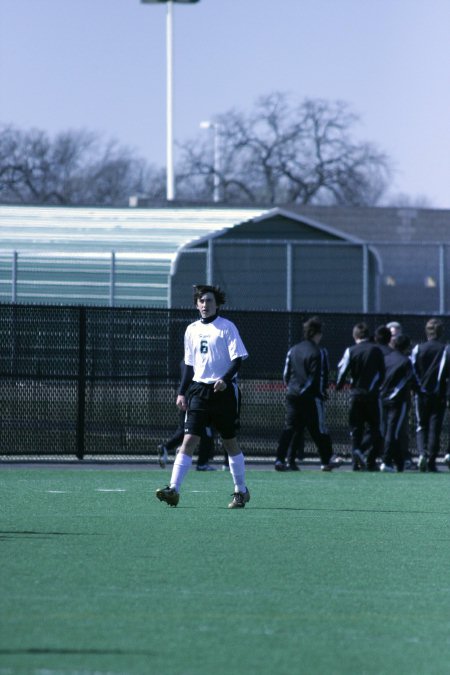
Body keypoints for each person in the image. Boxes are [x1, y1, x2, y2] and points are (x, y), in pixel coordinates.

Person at [156, 284, 250, 508]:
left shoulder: (226, 327)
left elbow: (238, 359)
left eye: (209, 301)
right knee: (189, 440)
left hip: (224, 392)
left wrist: (224, 380)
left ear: (217, 304)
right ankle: (174, 490)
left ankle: (240, 491)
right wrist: (181, 392)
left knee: (229, 442)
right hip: (198, 390)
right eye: (201, 301)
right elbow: (189, 365)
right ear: (196, 304)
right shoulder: (191, 330)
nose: (204, 305)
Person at [274, 317, 340, 472]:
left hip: (292, 395)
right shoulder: (319, 352)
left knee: (291, 428)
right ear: (317, 333)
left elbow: (286, 374)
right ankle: (326, 460)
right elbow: (318, 375)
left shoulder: (293, 350)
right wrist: (319, 392)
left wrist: (291, 389)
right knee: (318, 429)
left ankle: (281, 459)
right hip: (311, 397)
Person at [336, 322, 385, 471]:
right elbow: (382, 373)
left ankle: (355, 463)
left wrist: (339, 386)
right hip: (371, 396)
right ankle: (365, 455)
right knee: (375, 429)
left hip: (355, 395)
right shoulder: (376, 350)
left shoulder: (351, 350)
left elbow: (342, 370)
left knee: (356, 430)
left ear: (355, 335)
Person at [157, 359, 216, 471]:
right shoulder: (193, 362)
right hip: (194, 401)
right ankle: (201, 463)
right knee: (204, 433)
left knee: (185, 430)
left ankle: (167, 448)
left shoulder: (188, 362)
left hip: (190, 399)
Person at [411, 317, 449, 472]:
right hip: (438, 394)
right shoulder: (445, 349)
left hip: (421, 394)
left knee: (421, 425)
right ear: (441, 332)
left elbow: (412, 370)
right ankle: (432, 461)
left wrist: (416, 388)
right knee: (435, 427)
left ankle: (422, 454)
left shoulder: (418, 349)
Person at [379, 334, 414, 472]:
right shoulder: (406, 362)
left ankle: (399, 462)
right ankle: (386, 461)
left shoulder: (386, 359)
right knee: (393, 431)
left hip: (383, 399)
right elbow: (409, 380)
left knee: (387, 429)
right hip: (398, 401)